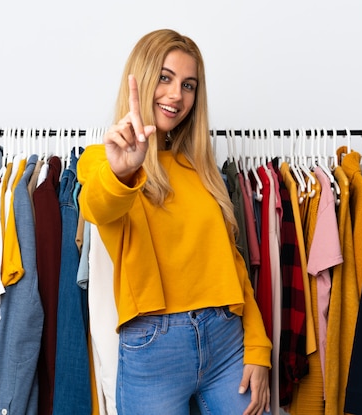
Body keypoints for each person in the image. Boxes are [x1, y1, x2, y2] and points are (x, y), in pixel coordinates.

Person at [77, 29, 271, 415]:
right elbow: (96, 207)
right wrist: (124, 170)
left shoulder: (200, 167)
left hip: (226, 339)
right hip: (154, 351)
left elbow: (231, 265)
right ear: (143, 77)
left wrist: (258, 346)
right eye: (165, 78)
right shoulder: (103, 159)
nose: (176, 95)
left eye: (188, 85)